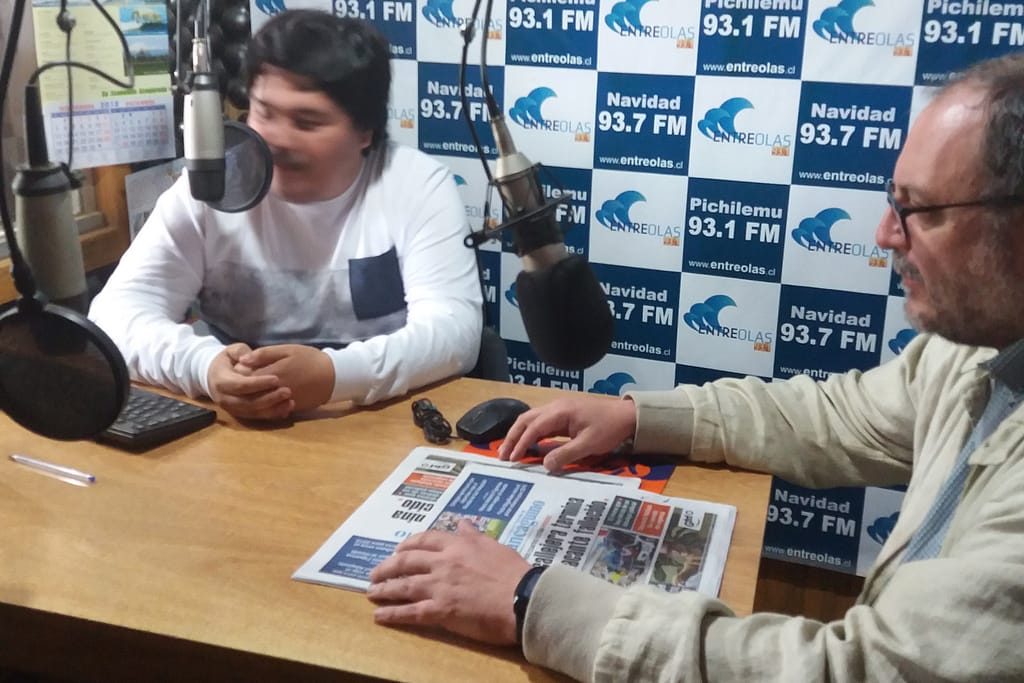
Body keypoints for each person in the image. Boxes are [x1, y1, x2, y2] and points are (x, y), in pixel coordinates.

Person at [366, 52, 1024, 681]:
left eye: (920, 210)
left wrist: (529, 598)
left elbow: (859, 672)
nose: (885, 234)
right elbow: (841, 417)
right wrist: (637, 417)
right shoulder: (975, 346)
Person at [88, 11, 482, 420]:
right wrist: (203, 366)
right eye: (264, 112)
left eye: (307, 123)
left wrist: (335, 375)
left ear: (365, 132)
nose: (276, 139)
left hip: (378, 422)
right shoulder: (211, 183)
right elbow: (116, 314)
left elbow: (454, 331)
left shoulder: (415, 185)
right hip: (240, 432)